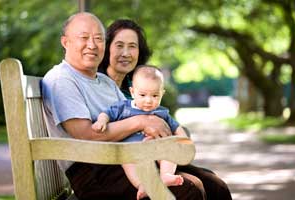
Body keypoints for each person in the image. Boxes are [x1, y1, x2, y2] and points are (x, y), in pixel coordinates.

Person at [42, 12, 206, 200]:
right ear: (66, 42)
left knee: (214, 185)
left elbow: (130, 113)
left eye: (98, 39)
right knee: (189, 188)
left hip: (128, 156)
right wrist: (141, 122)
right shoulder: (62, 80)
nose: (92, 45)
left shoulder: (104, 81)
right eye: (84, 38)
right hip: (95, 171)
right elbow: (86, 135)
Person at [98, 18, 233, 200]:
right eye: (119, 45)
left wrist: (175, 138)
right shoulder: (99, 84)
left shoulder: (140, 81)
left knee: (216, 185)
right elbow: (101, 131)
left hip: (157, 155)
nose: (126, 53)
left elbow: (164, 120)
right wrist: (143, 123)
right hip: (124, 162)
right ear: (107, 48)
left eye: (132, 46)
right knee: (193, 186)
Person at [93, 65, 187, 199]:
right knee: (127, 162)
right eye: (142, 95)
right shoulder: (123, 107)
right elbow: (106, 114)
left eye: (155, 95)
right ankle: (141, 185)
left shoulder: (161, 112)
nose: (148, 100)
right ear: (132, 92)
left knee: (170, 150)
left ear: (162, 94)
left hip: (156, 148)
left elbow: (176, 127)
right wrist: (101, 121)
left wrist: (183, 139)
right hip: (132, 151)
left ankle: (165, 175)